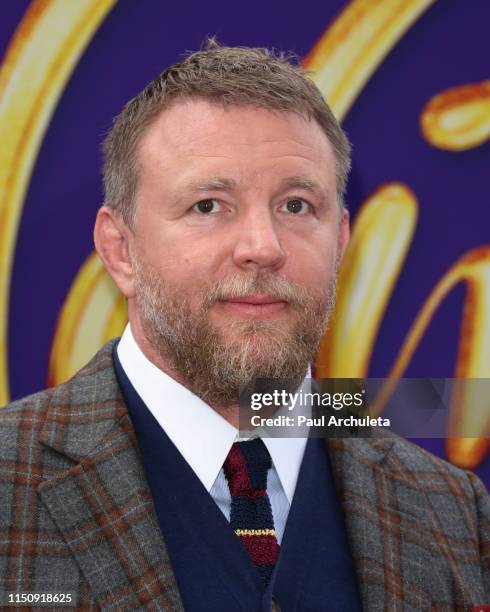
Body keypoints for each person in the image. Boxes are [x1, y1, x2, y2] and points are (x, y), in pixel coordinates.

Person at [0, 40, 488, 611]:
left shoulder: (453, 510)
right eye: (209, 205)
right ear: (120, 249)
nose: (263, 247)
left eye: (297, 206)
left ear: (341, 242)